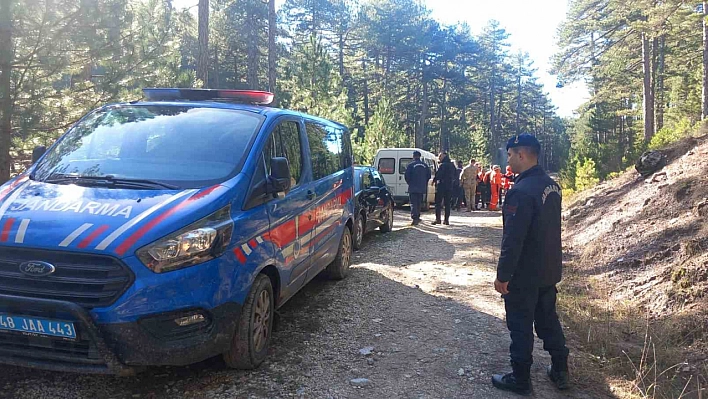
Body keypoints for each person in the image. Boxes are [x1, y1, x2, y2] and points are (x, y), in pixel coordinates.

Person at [491, 134, 569, 395]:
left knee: (521, 326)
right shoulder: (552, 187)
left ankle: (520, 378)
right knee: (548, 322)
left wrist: (503, 275)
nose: (509, 159)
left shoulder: (520, 192)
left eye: (511, 154)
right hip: (548, 270)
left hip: (524, 275)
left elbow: (513, 239)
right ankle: (560, 369)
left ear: (522, 155)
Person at [404, 150, 431, 226]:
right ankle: (418, 216)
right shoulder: (425, 165)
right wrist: (423, 182)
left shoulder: (410, 165)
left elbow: (406, 176)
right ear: (420, 156)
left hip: (413, 187)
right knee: (419, 203)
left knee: (413, 203)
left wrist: (410, 183)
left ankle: (415, 218)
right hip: (421, 187)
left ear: (414, 156)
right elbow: (428, 176)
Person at [433, 151, 456, 225]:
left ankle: (438, 219)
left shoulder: (442, 165)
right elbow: (456, 175)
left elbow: (438, 175)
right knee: (447, 204)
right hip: (449, 186)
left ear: (444, 156)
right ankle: (446, 220)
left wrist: (434, 180)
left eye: (440, 156)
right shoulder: (452, 165)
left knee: (438, 203)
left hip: (442, 186)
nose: (439, 157)